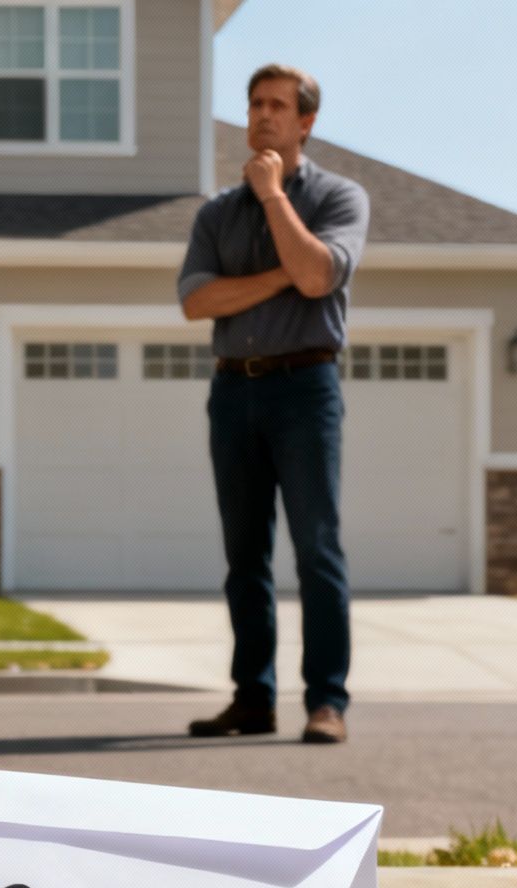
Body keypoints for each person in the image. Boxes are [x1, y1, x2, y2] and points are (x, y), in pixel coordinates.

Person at [176, 64, 369, 745]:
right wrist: (283, 276)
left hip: (305, 388)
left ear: (306, 121)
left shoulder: (341, 198)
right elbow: (197, 300)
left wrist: (271, 196)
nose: (262, 116)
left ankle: (327, 702)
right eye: (255, 103)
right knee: (245, 555)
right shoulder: (213, 213)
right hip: (233, 389)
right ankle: (252, 698)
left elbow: (319, 276)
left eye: (278, 106)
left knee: (317, 548)